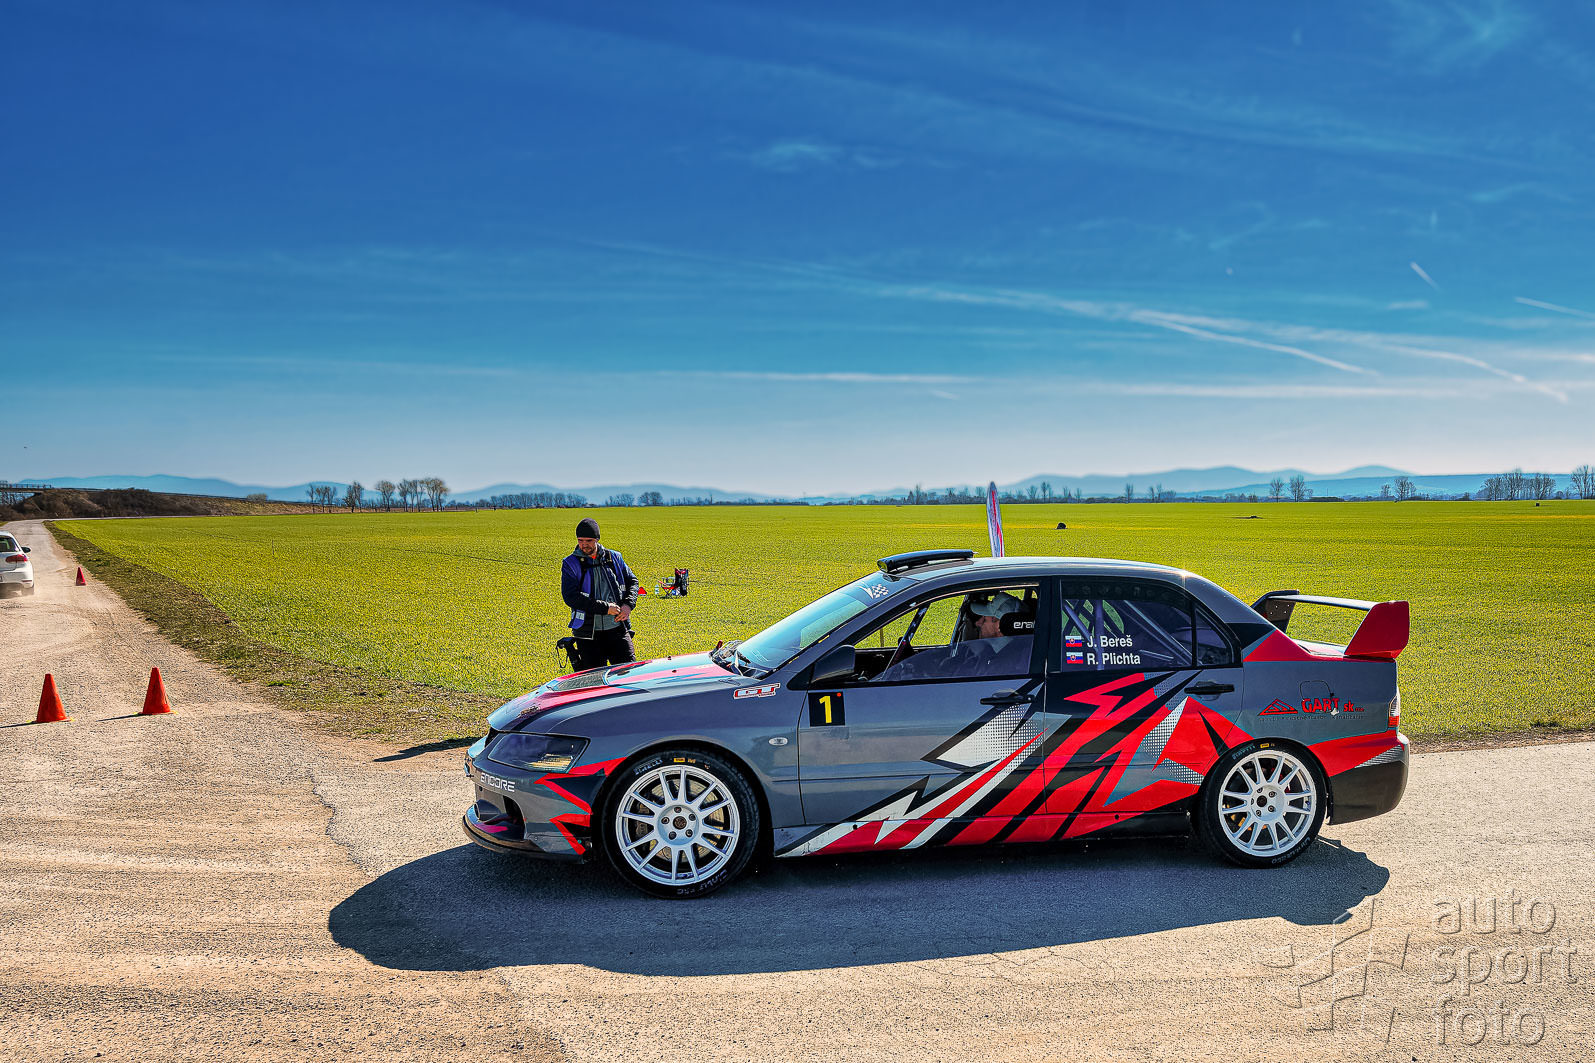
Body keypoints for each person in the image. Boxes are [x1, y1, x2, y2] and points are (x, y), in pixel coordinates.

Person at [560, 517, 641, 670]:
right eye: (580, 540)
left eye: (589, 540)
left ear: (597, 539)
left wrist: (628, 605)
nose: (584, 545)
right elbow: (571, 597)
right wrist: (605, 608)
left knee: (628, 674)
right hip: (587, 634)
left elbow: (633, 582)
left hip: (617, 629)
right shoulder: (570, 563)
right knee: (594, 680)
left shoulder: (615, 558)